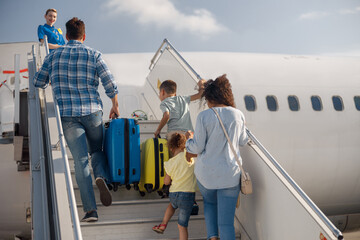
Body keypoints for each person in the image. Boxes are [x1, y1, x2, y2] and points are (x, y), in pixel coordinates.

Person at [33, 17, 120, 222]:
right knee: (97, 150)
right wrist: (115, 105)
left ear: (67, 35)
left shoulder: (54, 56)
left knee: (80, 161)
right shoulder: (94, 54)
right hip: (92, 112)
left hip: (68, 115)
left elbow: (38, 81)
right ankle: (100, 175)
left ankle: (90, 211)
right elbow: (110, 84)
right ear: (83, 36)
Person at [185, 74, 248, 240]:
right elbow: (243, 140)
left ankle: (212, 238)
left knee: (210, 203)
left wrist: (188, 142)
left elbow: (197, 147)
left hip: (207, 175)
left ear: (210, 97)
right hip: (230, 175)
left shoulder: (204, 116)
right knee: (226, 224)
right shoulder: (238, 114)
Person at [152, 133, 197, 240]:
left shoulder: (170, 163)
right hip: (187, 195)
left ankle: (163, 224)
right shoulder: (188, 155)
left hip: (174, 194)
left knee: (172, 206)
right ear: (184, 145)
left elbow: (166, 182)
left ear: (171, 148)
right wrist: (190, 138)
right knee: (182, 226)